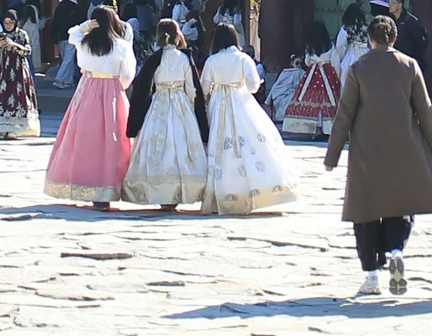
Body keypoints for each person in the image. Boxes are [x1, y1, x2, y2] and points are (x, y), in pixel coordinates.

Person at [323, 7, 432, 298]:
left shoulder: (358, 69)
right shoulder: (410, 66)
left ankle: (371, 276)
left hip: (367, 150)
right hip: (404, 147)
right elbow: (425, 111)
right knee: (398, 205)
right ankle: (394, 251)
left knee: (366, 211)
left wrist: (332, 155)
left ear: (370, 39)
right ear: (394, 38)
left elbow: (344, 115)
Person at [201, 21, 299, 214]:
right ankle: (255, 189)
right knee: (251, 144)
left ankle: (220, 193)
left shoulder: (211, 61)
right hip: (241, 100)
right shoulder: (243, 58)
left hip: (219, 102)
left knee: (219, 146)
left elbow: (204, 87)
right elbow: (254, 85)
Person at [44, 2, 136, 206]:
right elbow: (128, 74)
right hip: (112, 90)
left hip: (87, 90)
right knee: (113, 139)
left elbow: (72, 35)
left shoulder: (85, 43)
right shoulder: (121, 46)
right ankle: (110, 186)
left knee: (86, 139)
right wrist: (117, 86)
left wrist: (84, 26)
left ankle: (86, 185)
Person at [124, 17, 209, 208]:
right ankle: (181, 189)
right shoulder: (185, 58)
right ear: (178, 35)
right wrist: (191, 106)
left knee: (158, 146)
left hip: (159, 102)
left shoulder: (154, 59)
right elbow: (192, 88)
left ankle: (160, 190)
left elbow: (143, 87)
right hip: (180, 103)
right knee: (182, 145)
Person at [0, 7, 42, 138]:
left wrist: (14, 45)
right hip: (2, 71)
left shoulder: (21, 34)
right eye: (5, 23)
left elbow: (27, 51)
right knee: (0, 97)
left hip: (18, 70)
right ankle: (0, 126)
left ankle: (15, 129)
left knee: (18, 98)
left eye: (10, 23)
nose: (8, 26)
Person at [281, 31, 342, 140]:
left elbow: (307, 61)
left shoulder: (310, 47)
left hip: (313, 74)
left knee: (311, 100)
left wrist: (314, 64)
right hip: (327, 73)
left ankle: (313, 129)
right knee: (327, 100)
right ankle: (327, 128)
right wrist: (336, 76)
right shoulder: (330, 46)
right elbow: (335, 62)